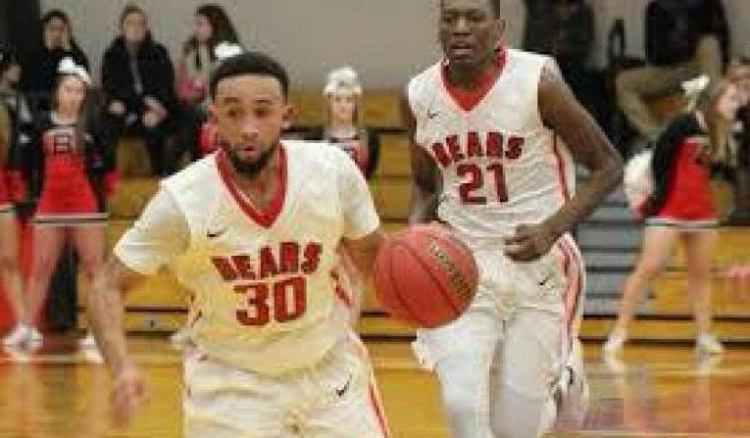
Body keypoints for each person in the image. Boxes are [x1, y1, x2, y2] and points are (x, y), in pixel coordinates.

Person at [86, 51, 391, 437]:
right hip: (230, 381)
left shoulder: (332, 171)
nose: (248, 128)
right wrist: (121, 366)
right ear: (212, 120)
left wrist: (396, 280)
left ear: (287, 115)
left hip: (329, 371)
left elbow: (373, 252)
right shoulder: (183, 201)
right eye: (233, 113)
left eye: (262, 112)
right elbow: (106, 285)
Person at [404, 0, 623, 436]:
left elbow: (608, 166)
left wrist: (551, 229)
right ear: (440, 28)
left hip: (538, 262)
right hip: (462, 264)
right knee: (462, 405)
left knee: (514, 430)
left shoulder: (538, 81)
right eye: (451, 19)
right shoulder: (418, 94)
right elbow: (427, 185)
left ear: (499, 28)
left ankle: (565, 388)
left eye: (474, 18)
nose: (461, 28)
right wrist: (415, 235)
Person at [604, 72, 750, 356]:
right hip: (669, 207)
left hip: (702, 211)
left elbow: (721, 171)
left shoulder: (724, 130)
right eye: (731, 98)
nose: (737, 104)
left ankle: (705, 335)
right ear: (714, 99)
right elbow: (659, 158)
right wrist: (656, 199)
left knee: (701, 275)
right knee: (649, 268)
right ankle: (619, 330)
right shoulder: (684, 123)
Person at [9, 58, 115, 348]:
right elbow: (27, 162)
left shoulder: (92, 124)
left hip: (83, 204)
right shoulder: (41, 125)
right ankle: (27, 327)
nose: (74, 96)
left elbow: (109, 164)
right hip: (50, 203)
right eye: (69, 90)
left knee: (94, 268)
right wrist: (27, 195)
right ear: (58, 92)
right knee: (41, 267)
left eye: (79, 91)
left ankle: (99, 332)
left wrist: (103, 195)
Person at [615, 0, 730, 142]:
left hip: (699, 66)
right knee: (624, 81)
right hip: (671, 68)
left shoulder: (708, 4)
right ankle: (657, 138)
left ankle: (710, 127)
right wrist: (675, 46)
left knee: (709, 43)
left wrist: (691, 42)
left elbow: (721, 42)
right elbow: (653, 54)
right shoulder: (656, 8)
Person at [100, 3, 177, 177]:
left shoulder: (158, 52)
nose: (135, 28)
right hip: (127, 108)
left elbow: (165, 86)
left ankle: (159, 175)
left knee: (157, 125)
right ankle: (108, 175)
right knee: (106, 120)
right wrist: (140, 101)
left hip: (154, 109)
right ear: (121, 27)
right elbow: (111, 87)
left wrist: (157, 109)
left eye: (140, 24)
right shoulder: (112, 54)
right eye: (130, 23)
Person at [173, 3, 241, 167]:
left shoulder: (230, 51)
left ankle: (197, 166)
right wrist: (197, 91)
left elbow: (234, 86)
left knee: (190, 124)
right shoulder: (191, 52)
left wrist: (204, 88)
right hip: (195, 107)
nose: (196, 29)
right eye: (195, 24)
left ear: (215, 25)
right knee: (188, 116)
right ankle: (195, 167)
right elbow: (181, 89)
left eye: (201, 24)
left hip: (225, 108)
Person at [308, 66, 380, 179]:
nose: (343, 105)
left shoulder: (370, 138)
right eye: (337, 100)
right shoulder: (315, 136)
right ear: (329, 103)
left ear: (355, 104)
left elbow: (369, 173)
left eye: (349, 100)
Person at [0, 85, 27, 348]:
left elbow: (13, 160)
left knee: (8, 261)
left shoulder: (5, 114)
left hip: (2, 200)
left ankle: (23, 325)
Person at [21, 9, 89, 111]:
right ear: (44, 30)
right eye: (52, 29)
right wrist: (48, 51)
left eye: (61, 29)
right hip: (40, 105)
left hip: (70, 104)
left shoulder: (74, 52)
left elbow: (83, 77)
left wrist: (68, 50)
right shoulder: (33, 54)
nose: (57, 33)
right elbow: (34, 83)